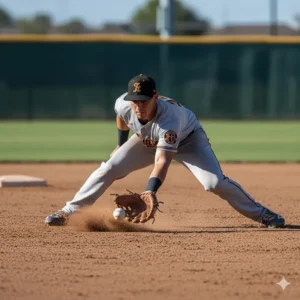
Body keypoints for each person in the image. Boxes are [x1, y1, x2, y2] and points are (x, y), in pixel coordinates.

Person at [45, 74, 285, 228]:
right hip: (146, 139)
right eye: (135, 100)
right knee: (109, 168)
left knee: (214, 183)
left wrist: (150, 191)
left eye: (144, 100)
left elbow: (162, 160)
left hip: (189, 141)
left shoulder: (170, 119)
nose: (138, 105)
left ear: (156, 97)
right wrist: (120, 143)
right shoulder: (124, 104)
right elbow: (121, 117)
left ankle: (262, 214)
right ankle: (69, 211)